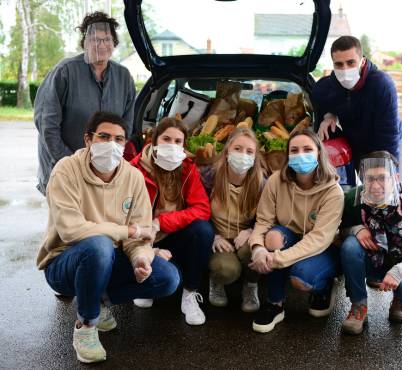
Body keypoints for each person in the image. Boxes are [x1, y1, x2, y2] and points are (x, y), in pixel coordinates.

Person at [36, 111, 180, 363]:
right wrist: (128, 232)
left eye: (119, 139)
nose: (112, 145)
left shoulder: (133, 177)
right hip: (64, 263)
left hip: (108, 258)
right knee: (98, 245)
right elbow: (72, 230)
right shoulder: (65, 171)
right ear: (88, 140)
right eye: (103, 137)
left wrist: (140, 259)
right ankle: (86, 325)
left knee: (168, 278)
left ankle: (100, 299)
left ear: (126, 144)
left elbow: (142, 232)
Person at [249, 128, 344, 333]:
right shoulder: (276, 181)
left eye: (307, 149)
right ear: (288, 155)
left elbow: (319, 239)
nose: (300, 154)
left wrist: (274, 260)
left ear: (319, 153)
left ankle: (325, 286)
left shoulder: (333, 192)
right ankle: (274, 304)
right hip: (289, 238)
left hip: (324, 248)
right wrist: (257, 248)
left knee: (301, 279)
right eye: (294, 150)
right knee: (272, 237)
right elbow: (263, 221)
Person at [34, 11, 136, 195]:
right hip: (63, 168)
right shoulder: (64, 71)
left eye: (106, 39)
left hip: (105, 173)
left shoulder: (124, 77)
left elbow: (126, 126)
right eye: (95, 39)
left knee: (99, 222)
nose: (101, 45)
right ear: (85, 42)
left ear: (114, 44)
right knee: (67, 222)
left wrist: (109, 163)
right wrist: (73, 164)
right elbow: (47, 126)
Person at [339, 151, 402, 335]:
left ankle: (400, 299)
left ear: (395, 178)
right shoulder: (354, 198)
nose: (375, 186)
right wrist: (356, 229)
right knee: (350, 246)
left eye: (382, 178)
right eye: (369, 179)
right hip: (373, 260)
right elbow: (340, 232)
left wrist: (399, 271)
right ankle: (359, 305)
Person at [130, 117, 214, 325]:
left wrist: (162, 222)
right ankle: (145, 280)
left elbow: (202, 208)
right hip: (139, 238)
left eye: (178, 142)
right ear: (154, 140)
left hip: (171, 234)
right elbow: (122, 215)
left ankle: (190, 293)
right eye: (166, 139)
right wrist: (146, 238)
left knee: (203, 231)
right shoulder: (134, 169)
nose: (172, 145)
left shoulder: (187, 168)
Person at [311, 35, 402, 178]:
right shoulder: (329, 86)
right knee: (365, 191)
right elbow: (317, 93)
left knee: (386, 191)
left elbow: (389, 136)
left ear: (362, 61)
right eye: (339, 64)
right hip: (356, 144)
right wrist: (329, 114)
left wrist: (390, 175)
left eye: (350, 62)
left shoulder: (382, 85)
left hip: (386, 142)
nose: (345, 69)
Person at [205, 128, 264, 312]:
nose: (243, 155)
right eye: (237, 149)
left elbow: (269, 218)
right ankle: (217, 281)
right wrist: (213, 236)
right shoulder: (210, 177)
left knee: (253, 249)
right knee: (225, 269)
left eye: (249, 152)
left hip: (244, 238)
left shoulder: (262, 183)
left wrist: (251, 231)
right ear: (227, 150)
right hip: (219, 238)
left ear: (255, 157)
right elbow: (197, 211)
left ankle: (251, 284)